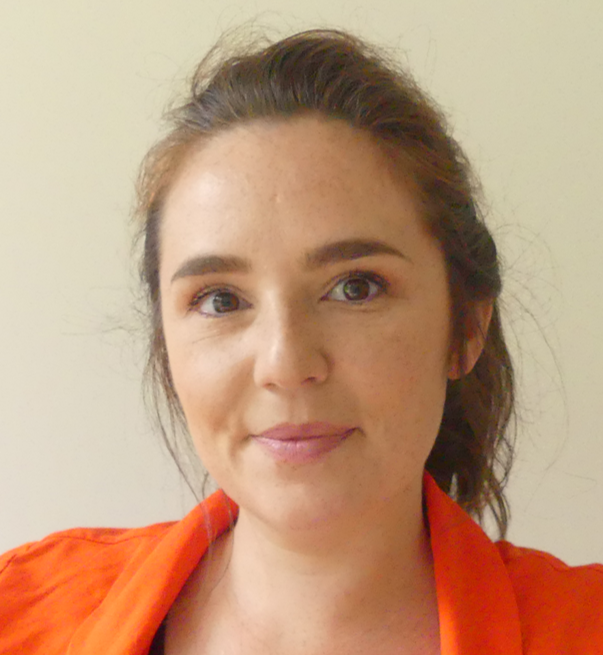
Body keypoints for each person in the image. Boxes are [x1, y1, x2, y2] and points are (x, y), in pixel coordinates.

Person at [1, 28, 602, 655]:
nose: (285, 363)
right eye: (221, 300)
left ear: (466, 328)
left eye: (356, 288)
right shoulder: (17, 613)